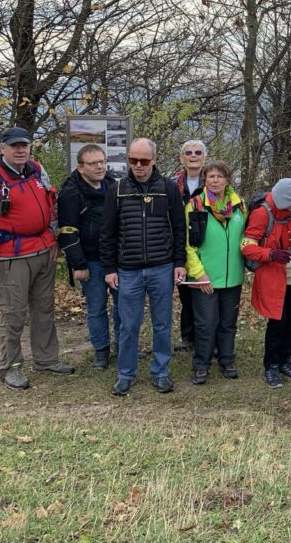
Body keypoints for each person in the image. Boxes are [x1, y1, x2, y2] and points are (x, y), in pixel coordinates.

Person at [0, 126, 74, 389]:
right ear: (2, 148)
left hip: (43, 250)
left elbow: (52, 207)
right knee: (13, 314)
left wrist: (54, 238)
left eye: (24, 145)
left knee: (44, 310)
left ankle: (46, 359)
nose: (20, 150)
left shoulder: (37, 170)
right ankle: (10, 367)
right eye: (14, 146)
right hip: (11, 258)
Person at [101, 138, 187, 396]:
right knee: (128, 325)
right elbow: (108, 233)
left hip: (162, 267)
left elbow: (179, 228)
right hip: (128, 269)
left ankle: (161, 372)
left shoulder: (169, 189)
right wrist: (109, 268)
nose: (138, 165)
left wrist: (179, 263)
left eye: (144, 160)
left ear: (154, 160)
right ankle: (125, 373)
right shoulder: (116, 190)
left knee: (162, 323)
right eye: (133, 160)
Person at [241, 178, 291, 388]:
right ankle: (271, 366)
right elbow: (247, 246)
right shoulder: (262, 214)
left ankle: (285, 361)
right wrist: (271, 254)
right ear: (284, 202)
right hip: (273, 276)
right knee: (277, 321)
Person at [184, 160, 246, 385]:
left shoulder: (239, 205)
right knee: (206, 323)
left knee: (228, 322)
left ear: (227, 179)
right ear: (204, 180)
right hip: (205, 278)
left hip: (233, 276)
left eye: (220, 176)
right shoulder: (195, 205)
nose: (215, 180)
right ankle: (201, 363)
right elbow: (188, 245)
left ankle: (227, 359)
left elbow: (246, 238)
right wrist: (199, 273)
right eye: (211, 176)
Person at [58, 144, 118, 370]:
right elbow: (67, 230)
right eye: (93, 163)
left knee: (123, 305)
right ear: (81, 167)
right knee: (96, 307)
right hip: (90, 261)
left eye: (102, 162)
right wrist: (78, 263)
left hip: (115, 259)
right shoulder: (70, 193)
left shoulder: (113, 186)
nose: (100, 167)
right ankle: (101, 351)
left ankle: (123, 346)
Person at [172, 139, 207, 352]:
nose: (193, 156)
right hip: (179, 244)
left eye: (198, 152)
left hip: (206, 245)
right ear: (181, 158)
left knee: (205, 292)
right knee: (185, 292)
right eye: (188, 152)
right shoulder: (172, 184)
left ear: (204, 157)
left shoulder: (213, 180)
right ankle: (188, 337)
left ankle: (207, 336)